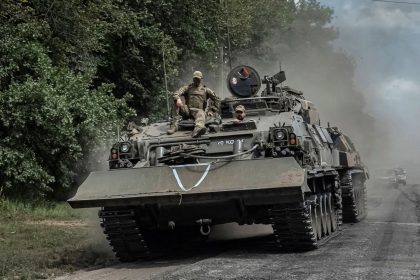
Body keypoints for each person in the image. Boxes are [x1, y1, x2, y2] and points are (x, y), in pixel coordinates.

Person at [167, 71, 220, 137]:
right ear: (193, 79)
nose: (196, 80)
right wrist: (178, 99)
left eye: (198, 79)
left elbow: (217, 99)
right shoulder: (187, 88)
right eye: (195, 79)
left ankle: (198, 130)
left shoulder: (206, 90)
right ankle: (174, 126)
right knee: (175, 102)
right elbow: (176, 93)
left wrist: (212, 111)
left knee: (201, 113)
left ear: (201, 79)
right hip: (187, 111)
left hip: (199, 112)